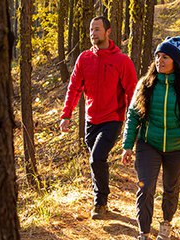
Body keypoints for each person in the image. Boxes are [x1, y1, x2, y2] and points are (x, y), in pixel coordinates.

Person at [120, 36, 180, 240]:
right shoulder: (146, 84)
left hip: (179, 148)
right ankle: (143, 232)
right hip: (148, 144)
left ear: (176, 61)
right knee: (145, 185)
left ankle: (166, 223)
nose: (159, 60)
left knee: (171, 189)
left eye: (165, 56)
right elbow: (133, 115)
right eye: (157, 56)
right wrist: (127, 145)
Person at [59, 16, 138, 219]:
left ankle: (100, 202)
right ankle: (102, 198)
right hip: (91, 120)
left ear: (108, 31)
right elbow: (74, 88)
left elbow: (133, 93)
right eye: (91, 30)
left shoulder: (122, 61)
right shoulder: (84, 58)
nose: (93, 33)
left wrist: (133, 121)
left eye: (97, 29)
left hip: (113, 118)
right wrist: (66, 115)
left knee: (96, 158)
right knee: (97, 160)